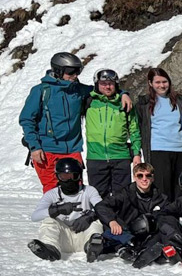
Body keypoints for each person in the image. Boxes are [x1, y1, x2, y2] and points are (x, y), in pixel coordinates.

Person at [21, 52, 128, 192]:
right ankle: (54, 213)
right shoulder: (41, 91)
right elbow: (27, 120)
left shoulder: (78, 90)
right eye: (71, 71)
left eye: (78, 71)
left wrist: (123, 93)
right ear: (58, 70)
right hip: (47, 149)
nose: (75, 75)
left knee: (75, 189)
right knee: (52, 190)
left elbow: (103, 90)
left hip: (72, 149)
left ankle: (76, 214)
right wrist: (34, 147)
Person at [27, 157, 103, 261]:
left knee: (96, 221)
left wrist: (90, 216)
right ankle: (51, 249)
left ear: (79, 176)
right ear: (57, 177)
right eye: (64, 177)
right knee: (49, 219)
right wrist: (56, 210)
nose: (69, 180)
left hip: (84, 236)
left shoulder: (89, 191)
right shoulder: (52, 194)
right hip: (63, 239)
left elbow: (103, 209)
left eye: (73, 176)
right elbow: (34, 216)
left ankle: (92, 247)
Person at [85, 69, 141, 198]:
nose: (107, 87)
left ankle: (121, 218)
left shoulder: (124, 103)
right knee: (98, 196)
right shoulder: (89, 101)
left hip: (120, 157)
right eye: (103, 83)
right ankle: (102, 218)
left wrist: (136, 153)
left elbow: (134, 131)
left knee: (122, 195)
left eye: (111, 83)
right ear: (97, 84)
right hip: (96, 157)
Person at [134, 68, 182, 201]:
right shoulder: (144, 104)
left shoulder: (180, 102)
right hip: (158, 149)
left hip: (179, 149)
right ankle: (164, 218)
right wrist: (137, 153)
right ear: (150, 83)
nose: (162, 85)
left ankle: (178, 217)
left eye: (164, 82)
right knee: (162, 189)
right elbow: (138, 127)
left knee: (179, 188)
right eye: (157, 82)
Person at [93, 162, 166, 261]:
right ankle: (101, 243)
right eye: (140, 176)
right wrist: (112, 221)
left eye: (148, 175)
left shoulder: (161, 197)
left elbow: (169, 215)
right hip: (124, 229)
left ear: (152, 178)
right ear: (135, 177)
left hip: (146, 233)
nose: (144, 179)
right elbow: (101, 206)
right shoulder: (124, 193)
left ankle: (136, 249)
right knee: (113, 230)